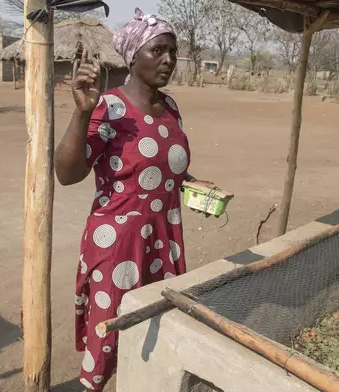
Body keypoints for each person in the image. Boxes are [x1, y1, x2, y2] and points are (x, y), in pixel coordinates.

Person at [54, 8, 215, 391]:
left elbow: (159, 166)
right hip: (118, 244)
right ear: (133, 55)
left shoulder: (171, 107)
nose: (168, 60)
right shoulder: (107, 107)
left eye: (173, 52)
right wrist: (81, 114)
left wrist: (191, 183)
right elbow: (67, 174)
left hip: (163, 241)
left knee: (154, 325)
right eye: (158, 50)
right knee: (109, 334)